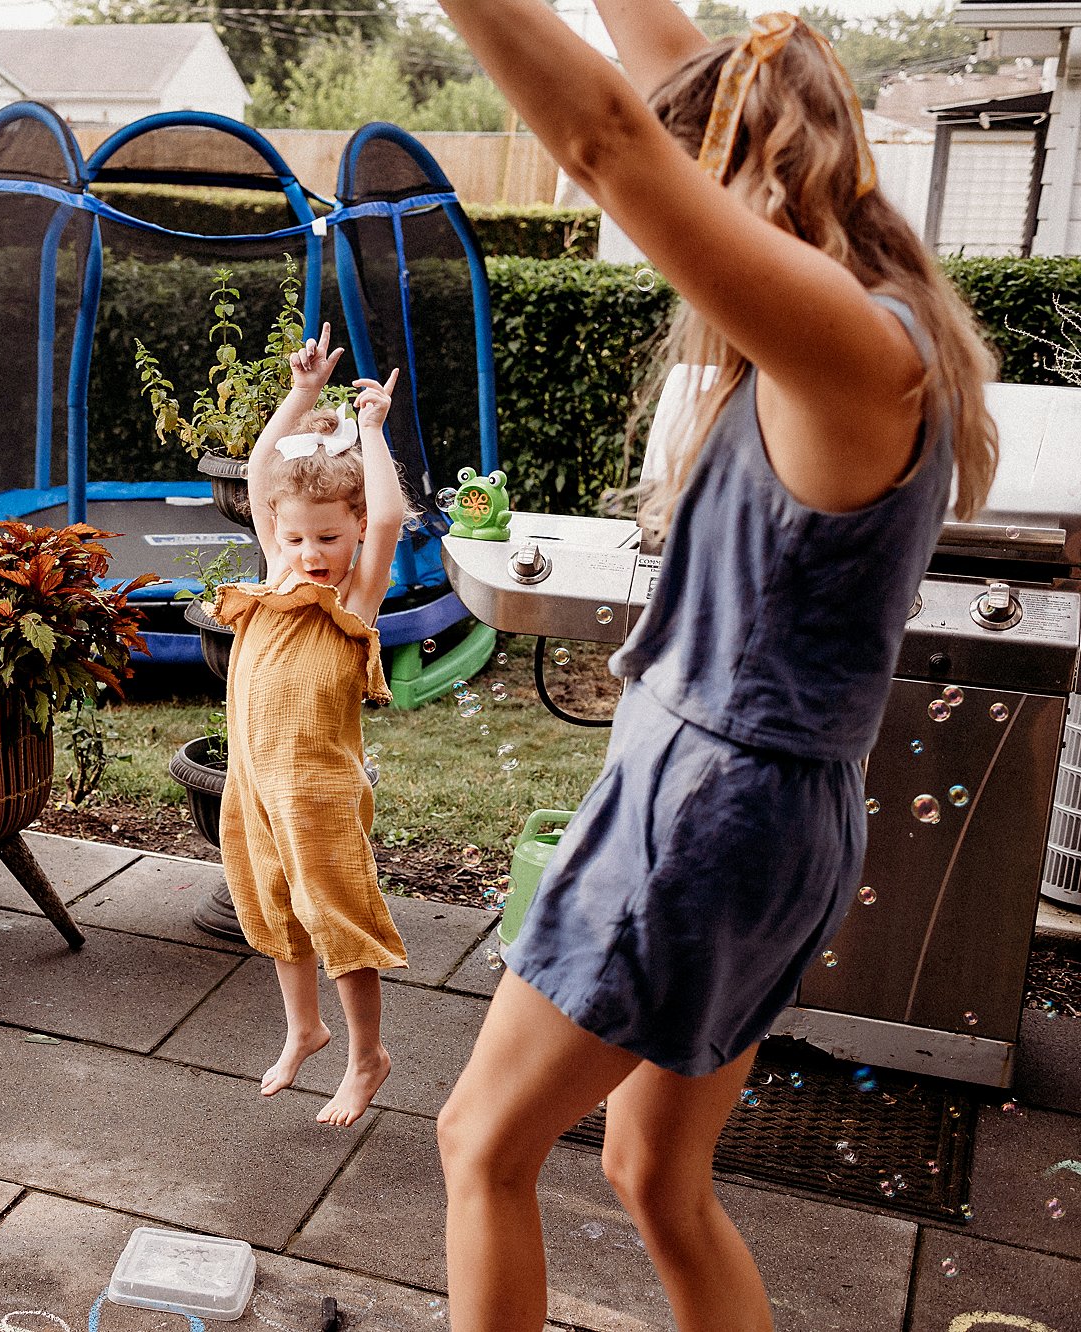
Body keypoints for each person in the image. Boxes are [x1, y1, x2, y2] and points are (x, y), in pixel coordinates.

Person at [427, 0, 1000, 1326]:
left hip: (706, 814)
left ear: (746, 180)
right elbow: (657, 84)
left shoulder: (852, 351)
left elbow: (612, 137)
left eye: (701, 194)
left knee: (480, 1146)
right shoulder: (877, 325)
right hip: (766, 814)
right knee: (653, 1176)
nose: (675, 241)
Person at [216, 334, 411, 1128]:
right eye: (296, 537)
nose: (309, 553)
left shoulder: (351, 601)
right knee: (270, 905)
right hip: (253, 779)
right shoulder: (277, 572)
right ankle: (306, 1030)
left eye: (328, 537)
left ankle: (369, 1057)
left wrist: (371, 425)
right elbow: (264, 474)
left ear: (355, 528)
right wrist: (301, 396)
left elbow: (392, 512)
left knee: (337, 916)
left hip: (319, 792)